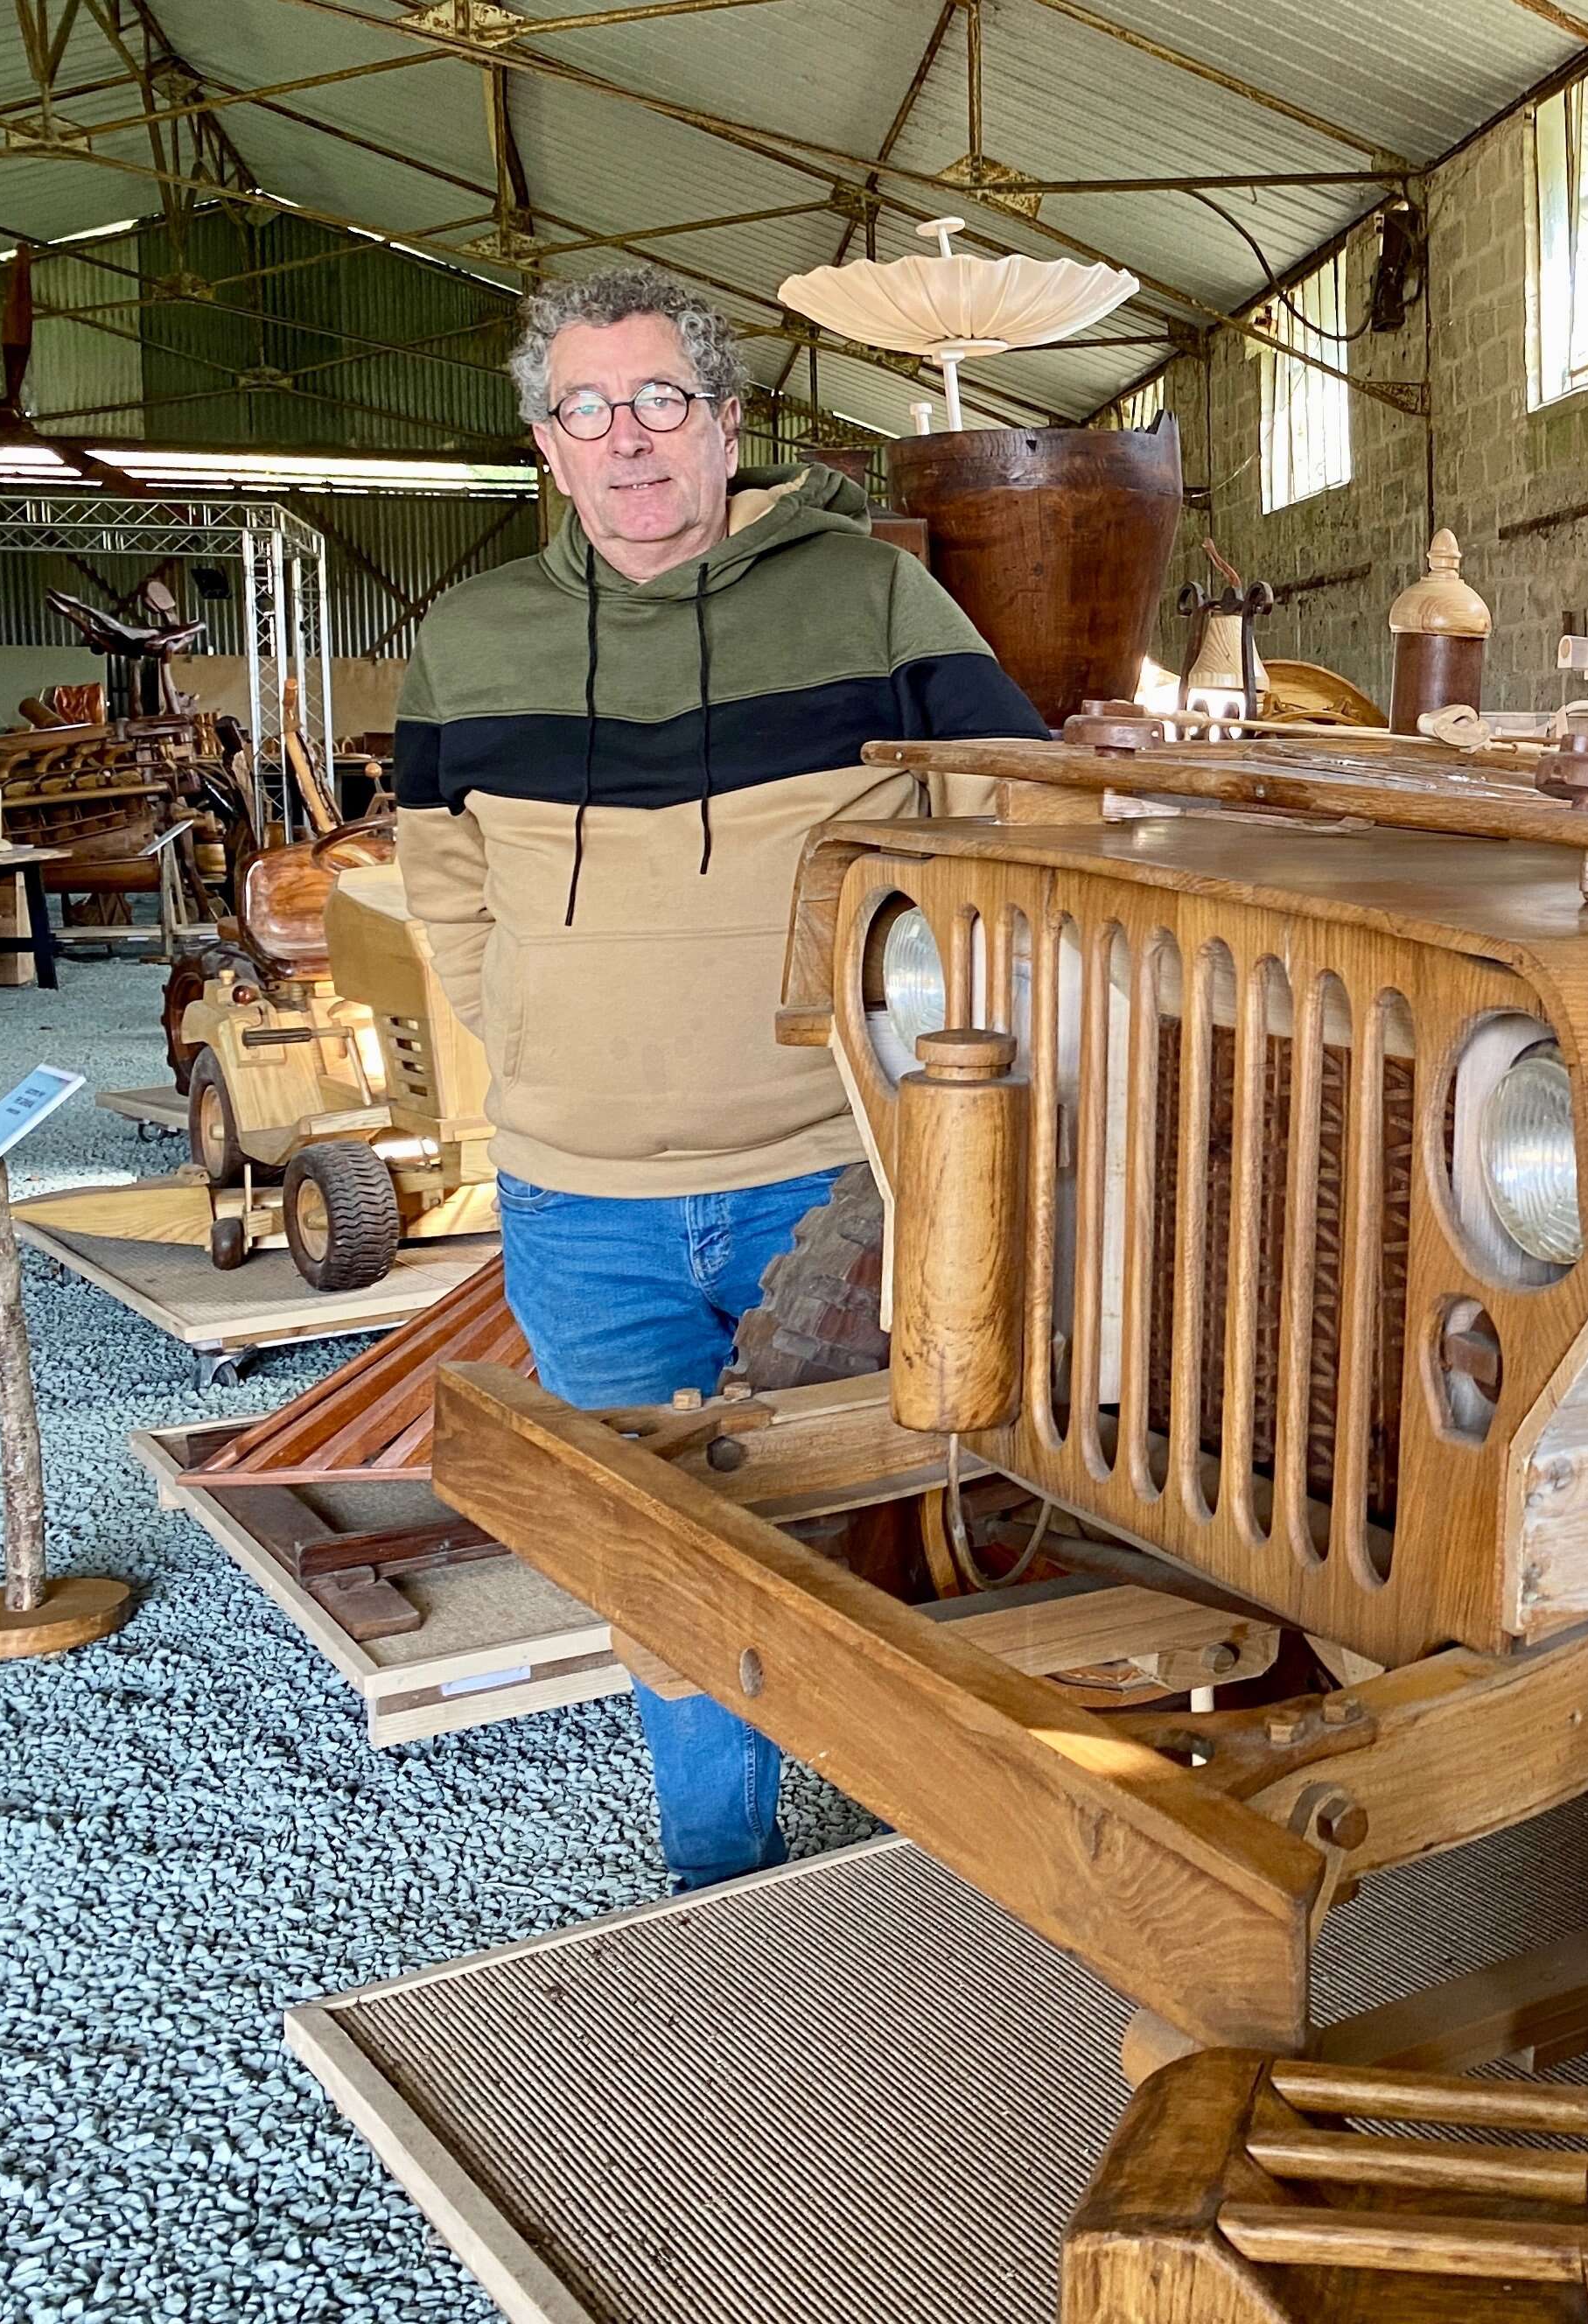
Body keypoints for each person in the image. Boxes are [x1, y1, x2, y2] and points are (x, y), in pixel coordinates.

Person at [396, 265, 1045, 1890]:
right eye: (586, 410)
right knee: (665, 1571)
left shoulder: (870, 601)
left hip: (829, 1169)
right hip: (578, 1196)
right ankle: (722, 1875)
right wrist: (548, 1042)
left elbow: (1015, 822)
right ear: (547, 444)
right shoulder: (472, 638)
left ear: (727, 422)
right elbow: (447, 882)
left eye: (661, 402)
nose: (627, 443)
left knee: (888, 1518)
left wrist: (904, 1043)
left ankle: (932, 1857)